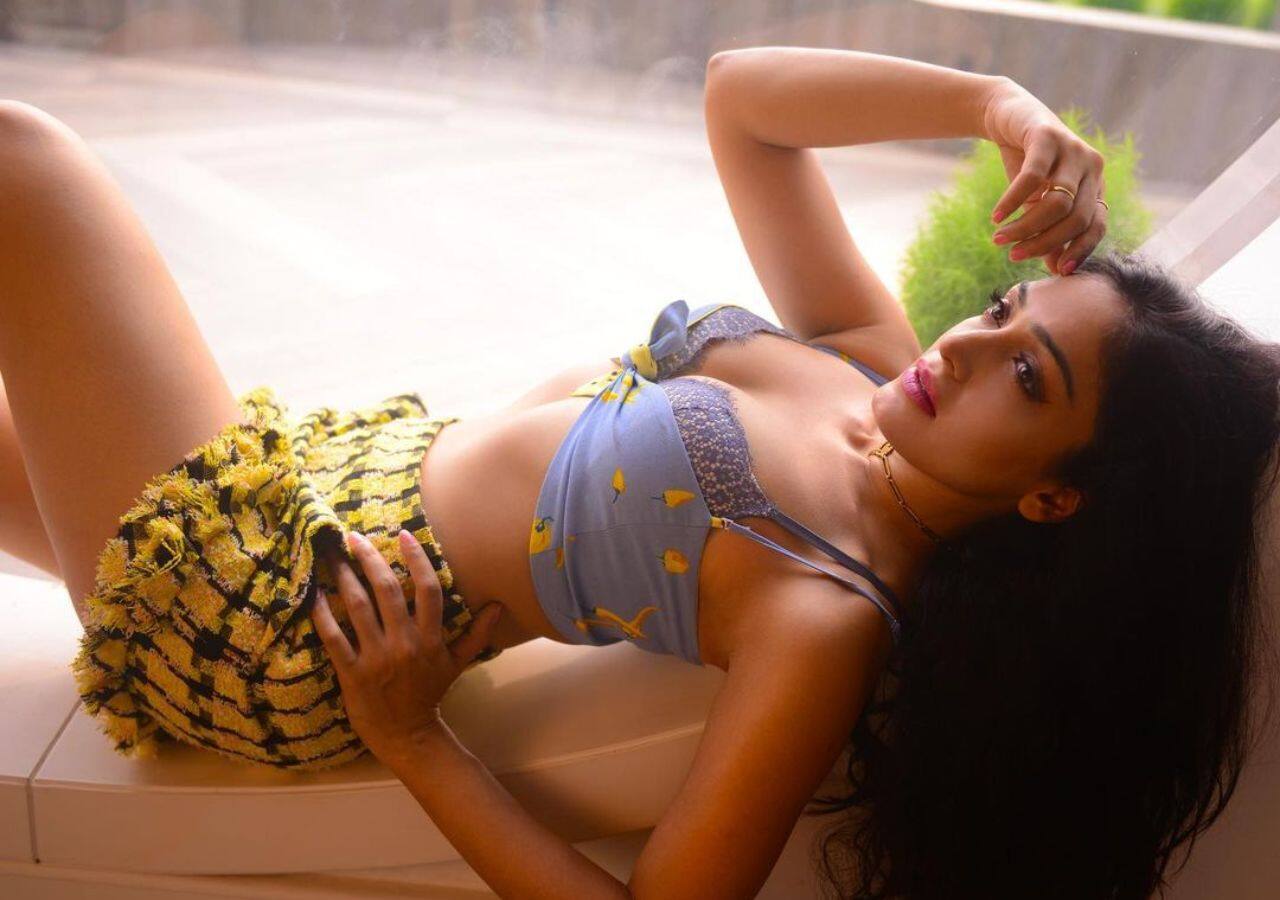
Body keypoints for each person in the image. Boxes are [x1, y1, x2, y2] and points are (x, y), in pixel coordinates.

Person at [1, 46, 1277, 900]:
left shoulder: (826, 609)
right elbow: (741, 103)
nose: (967, 346)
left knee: (23, 160)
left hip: (285, 603)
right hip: (322, 474)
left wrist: (412, 737)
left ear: (1054, 496)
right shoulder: (870, 368)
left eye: (1028, 379)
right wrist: (994, 103)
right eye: (1003, 310)